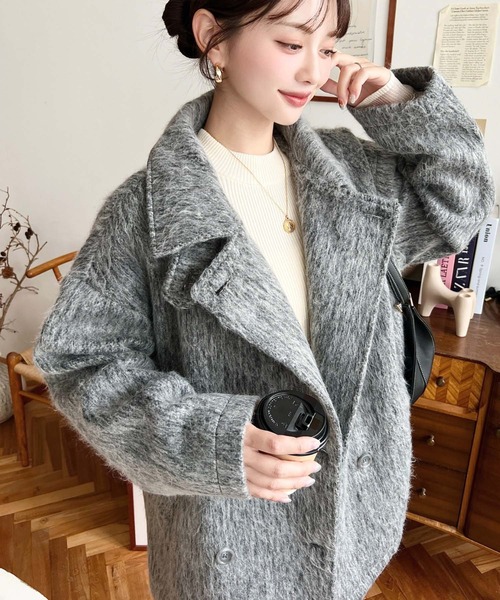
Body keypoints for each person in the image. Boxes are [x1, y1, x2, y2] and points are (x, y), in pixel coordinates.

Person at [33, 0, 495, 598]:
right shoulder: (144, 214)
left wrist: (398, 103)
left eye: (328, 48)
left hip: (354, 521)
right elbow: (83, 364)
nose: (314, 71)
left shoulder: (352, 176)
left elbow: (460, 204)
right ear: (213, 37)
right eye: (291, 43)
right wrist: (209, 438)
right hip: (226, 543)